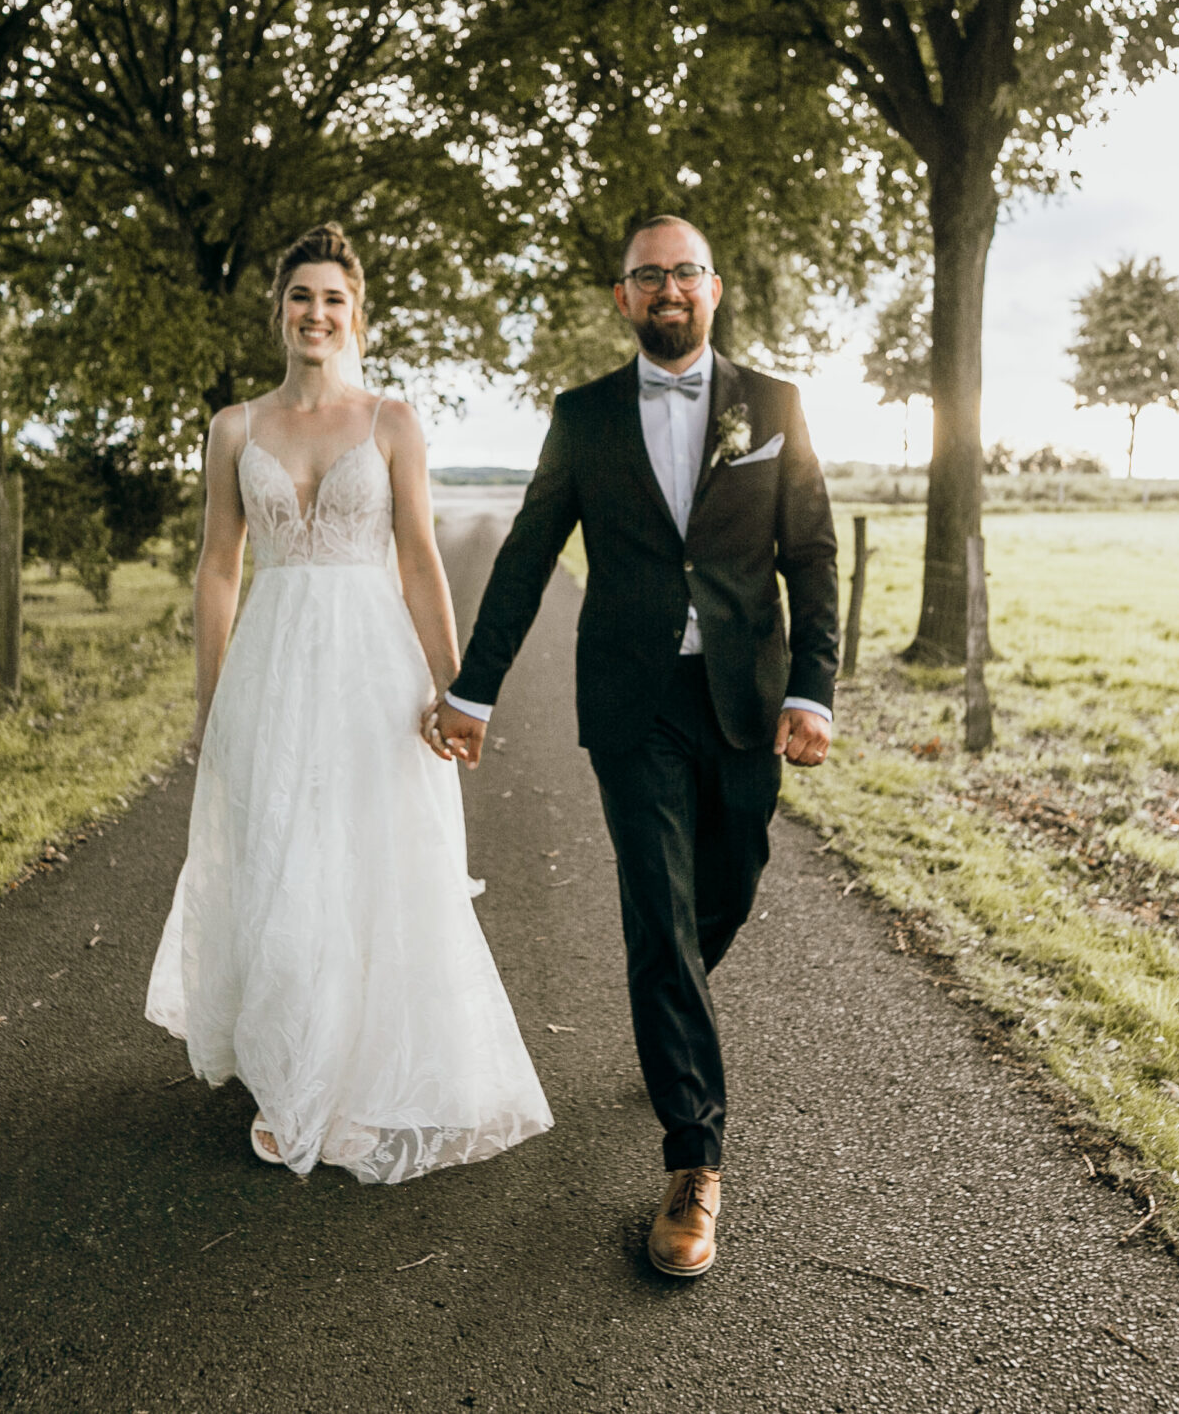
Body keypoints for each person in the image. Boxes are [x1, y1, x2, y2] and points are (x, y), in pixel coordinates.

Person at [432, 215, 839, 1276]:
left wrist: (814, 690)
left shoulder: (774, 406)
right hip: (632, 700)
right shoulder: (583, 416)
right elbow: (527, 552)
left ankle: (672, 1013)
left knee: (726, 888)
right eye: (648, 275)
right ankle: (693, 1160)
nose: (668, 288)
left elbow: (810, 554)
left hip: (744, 694)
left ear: (713, 288)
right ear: (622, 297)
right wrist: (474, 690)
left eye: (685, 271)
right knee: (658, 909)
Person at [147, 222, 551, 1184]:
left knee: (370, 853)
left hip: (374, 665)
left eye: (334, 298)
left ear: (356, 314)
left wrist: (456, 690)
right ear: (278, 311)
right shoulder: (235, 429)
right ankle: (295, 1066)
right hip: (272, 666)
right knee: (284, 853)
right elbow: (218, 569)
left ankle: (367, 1069)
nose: (316, 313)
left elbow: (419, 560)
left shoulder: (392, 422)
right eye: (301, 296)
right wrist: (209, 702)